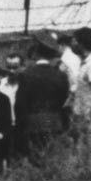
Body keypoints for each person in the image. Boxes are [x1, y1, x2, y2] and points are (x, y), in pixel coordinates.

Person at [14, 30, 70, 160]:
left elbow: (20, 104)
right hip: (55, 123)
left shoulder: (26, 75)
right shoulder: (61, 75)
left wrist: (20, 126)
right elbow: (64, 100)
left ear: (36, 53)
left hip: (32, 125)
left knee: (34, 161)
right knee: (52, 161)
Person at [56, 32, 81, 130]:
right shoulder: (75, 58)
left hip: (69, 96)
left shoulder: (64, 60)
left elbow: (60, 80)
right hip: (76, 94)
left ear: (61, 45)